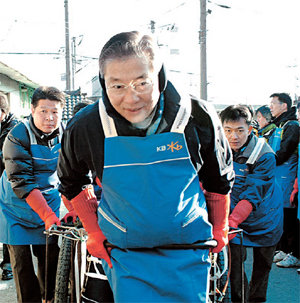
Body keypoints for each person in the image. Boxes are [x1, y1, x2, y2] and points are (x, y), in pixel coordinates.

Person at [57, 31, 234, 302]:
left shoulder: (197, 116)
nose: (131, 99)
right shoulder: (86, 125)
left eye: (142, 83)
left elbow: (218, 180)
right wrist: (93, 231)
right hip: (125, 254)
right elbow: (71, 181)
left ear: (159, 76)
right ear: (104, 82)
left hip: (190, 249)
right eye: (117, 86)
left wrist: (220, 227)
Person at [0, 86, 65, 303]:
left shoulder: (67, 134)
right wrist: (46, 215)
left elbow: (73, 172)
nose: (50, 118)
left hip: (48, 198)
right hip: (14, 206)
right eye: (44, 111)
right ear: (32, 110)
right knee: (21, 263)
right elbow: (22, 181)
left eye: (55, 112)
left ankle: (49, 298)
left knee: (50, 256)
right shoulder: (17, 136)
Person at [220, 105, 283, 303]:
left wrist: (233, 219)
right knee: (235, 267)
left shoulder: (265, 155)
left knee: (263, 266)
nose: (234, 136)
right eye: (228, 130)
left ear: (250, 129)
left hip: (265, 216)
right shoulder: (218, 149)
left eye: (240, 130)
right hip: (234, 217)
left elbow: (254, 193)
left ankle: (257, 299)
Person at [269, 93, 300, 268]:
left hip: (287, 177)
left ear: (284, 106)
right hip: (278, 177)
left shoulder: (292, 126)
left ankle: (293, 252)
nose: (271, 107)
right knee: (280, 214)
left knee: (289, 216)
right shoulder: (279, 125)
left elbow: (285, 151)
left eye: (273, 103)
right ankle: (283, 249)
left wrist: (268, 160)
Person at [0, 92, 19, 281]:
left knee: (7, 224)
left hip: (9, 185)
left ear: (3, 112)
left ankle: (8, 265)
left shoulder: (14, 130)